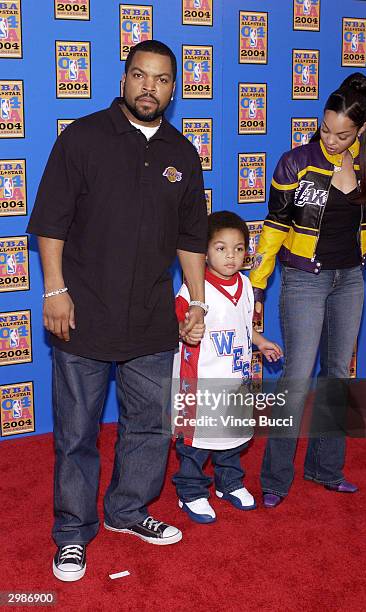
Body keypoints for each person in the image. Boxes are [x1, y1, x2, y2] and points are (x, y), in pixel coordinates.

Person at [27, 40, 208, 581]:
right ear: (124, 79)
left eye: (161, 79)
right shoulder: (81, 138)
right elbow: (51, 223)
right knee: (78, 432)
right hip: (82, 314)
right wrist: (54, 291)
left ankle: (128, 511)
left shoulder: (182, 153)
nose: (149, 87)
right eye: (139, 76)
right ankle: (72, 534)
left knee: (149, 428)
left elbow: (191, 237)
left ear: (174, 88)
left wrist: (196, 301)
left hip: (153, 318)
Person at [250, 73, 366, 508]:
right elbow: (274, 227)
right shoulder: (295, 163)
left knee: (338, 375)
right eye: (325, 130)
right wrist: (257, 287)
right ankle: (276, 480)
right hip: (303, 280)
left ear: (362, 130)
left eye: (342, 134)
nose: (331, 141)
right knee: (296, 379)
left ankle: (325, 468)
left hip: (351, 279)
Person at [171, 211, 282, 523]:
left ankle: (229, 482)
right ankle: (191, 490)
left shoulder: (246, 285)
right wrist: (184, 327)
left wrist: (259, 341)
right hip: (201, 381)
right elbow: (177, 323)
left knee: (233, 436)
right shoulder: (194, 290)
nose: (231, 256)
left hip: (235, 381)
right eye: (221, 248)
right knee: (197, 442)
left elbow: (243, 326)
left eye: (238, 248)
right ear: (204, 251)